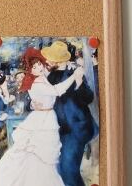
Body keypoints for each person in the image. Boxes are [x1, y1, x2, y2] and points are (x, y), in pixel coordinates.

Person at [0, 48, 85, 185]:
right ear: (30, 70)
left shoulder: (41, 78)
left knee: (43, 155)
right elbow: (57, 91)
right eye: (34, 67)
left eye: (39, 64)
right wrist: (74, 77)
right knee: (38, 153)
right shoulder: (36, 82)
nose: (38, 67)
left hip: (46, 116)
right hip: (42, 119)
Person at [43, 41, 98, 186]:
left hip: (76, 128)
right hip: (59, 128)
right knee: (59, 168)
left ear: (59, 60)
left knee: (68, 170)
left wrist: (79, 82)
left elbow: (88, 98)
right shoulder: (51, 76)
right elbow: (44, 98)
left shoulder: (74, 74)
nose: (47, 60)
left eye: (51, 58)